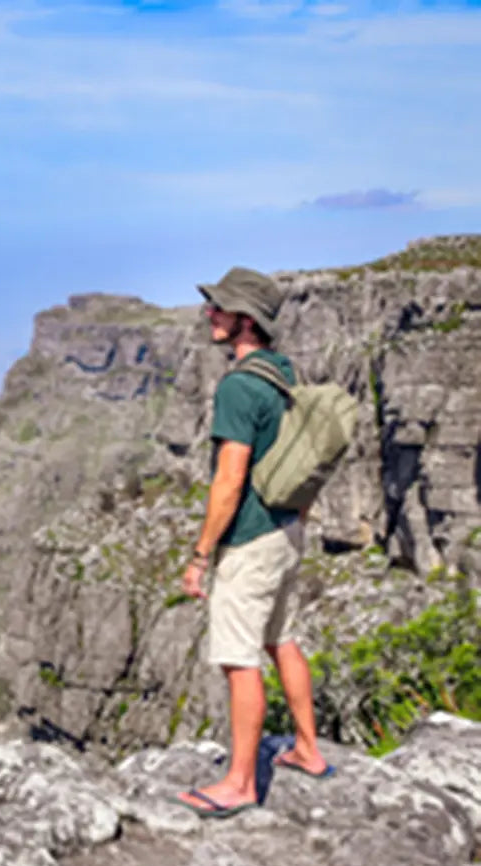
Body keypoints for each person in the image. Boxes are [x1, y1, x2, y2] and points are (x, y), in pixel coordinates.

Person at [176, 267, 332, 819]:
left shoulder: (239, 388)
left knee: (239, 661)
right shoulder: (281, 372)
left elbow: (229, 479)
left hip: (250, 540)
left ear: (245, 320)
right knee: (281, 639)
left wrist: (200, 555)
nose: (209, 315)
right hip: (288, 531)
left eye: (219, 308)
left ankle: (241, 783)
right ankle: (309, 749)